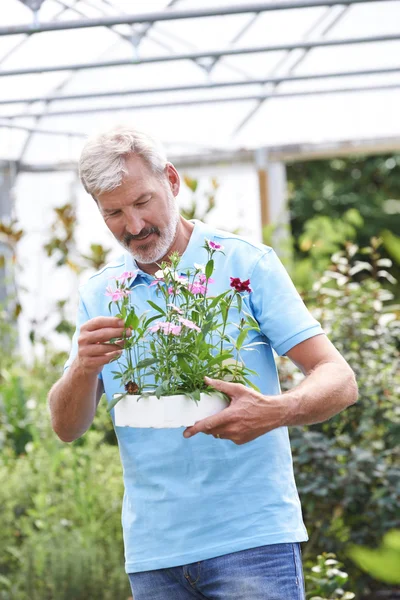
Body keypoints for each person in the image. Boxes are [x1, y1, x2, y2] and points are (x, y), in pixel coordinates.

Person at [48, 126, 358, 600]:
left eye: (143, 202)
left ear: (172, 181)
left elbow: (339, 378)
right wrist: (82, 369)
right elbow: (67, 427)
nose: (133, 226)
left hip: (253, 541)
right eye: (114, 212)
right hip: (156, 555)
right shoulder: (101, 294)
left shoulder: (244, 264)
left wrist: (276, 411)